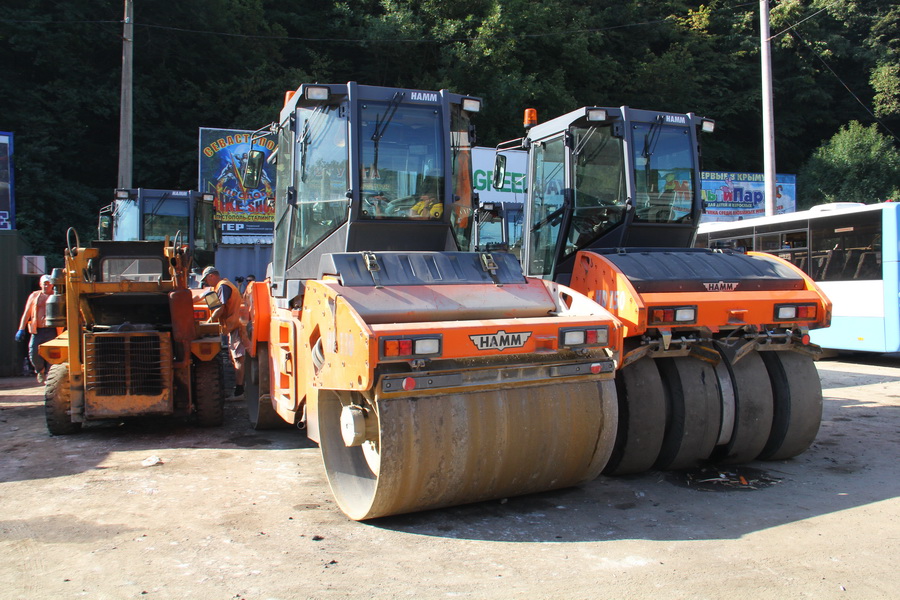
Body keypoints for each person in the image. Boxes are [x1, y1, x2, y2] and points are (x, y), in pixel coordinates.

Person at [200, 266, 247, 399]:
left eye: (206, 279)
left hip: (236, 326)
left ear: (211, 276)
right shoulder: (219, 287)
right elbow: (212, 302)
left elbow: (219, 309)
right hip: (231, 326)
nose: (205, 282)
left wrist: (207, 323)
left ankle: (240, 391)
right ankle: (239, 389)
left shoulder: (223, 287)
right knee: (234, 358)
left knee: (238, 358)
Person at [16, 275, 56, 383]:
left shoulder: (57, 296)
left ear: (52, 284)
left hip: (53, 330)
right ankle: (40, 371)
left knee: (52, 354)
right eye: (44, 283)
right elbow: (27, 313)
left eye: (48, 283)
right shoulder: (34, 296)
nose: (46, 285)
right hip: (38, 330)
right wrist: (21, 329)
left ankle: (49, 374)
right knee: (33, 352)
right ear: (40, 284)